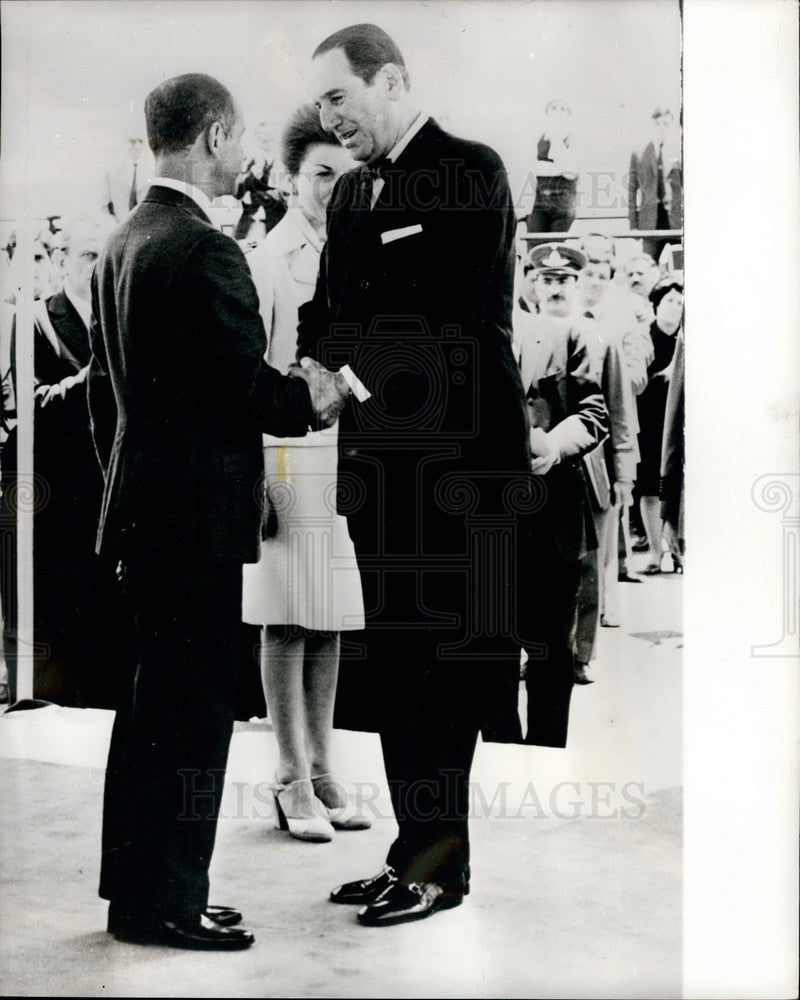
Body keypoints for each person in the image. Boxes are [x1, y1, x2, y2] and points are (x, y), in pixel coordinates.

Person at [88, 72, 347, 951]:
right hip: (196, 524)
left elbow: (106, 400)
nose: (245, 154)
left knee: (147, 712)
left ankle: (136, 894)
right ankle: (172, 903)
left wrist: (131, 490)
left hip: (144, 515)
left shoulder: (124, 241)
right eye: (239, 137)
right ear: (211, 135)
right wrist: (318, 395)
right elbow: (249, 391)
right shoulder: (205, 249)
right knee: (191, 718)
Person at [299, 24, 530, 926]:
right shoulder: (353, 192)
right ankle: (410, 854)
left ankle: (439, 867)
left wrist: (344, 374)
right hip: (380, 470)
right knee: (400, 666)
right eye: (320, 103)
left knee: (444, 667)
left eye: (340, 97)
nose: (329, 117)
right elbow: (329, 305)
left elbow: (445, 318)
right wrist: (315, 365)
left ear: (390, 80)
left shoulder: (472, 170)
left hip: (458, 471)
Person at [242, 104, 367, 842]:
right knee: (288, 617)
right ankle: (289, 775)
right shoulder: (268, 258)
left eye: (344, 175)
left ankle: (323, 766)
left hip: (340, 453)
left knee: (331, 618)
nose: (332, 188)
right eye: (321, 174)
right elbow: (251, 373)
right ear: (293, 179)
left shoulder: (355, 247)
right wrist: (254, 475)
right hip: (284, 452)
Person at [514, 243, 608, 708]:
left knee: (552, 640)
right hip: (493, 507)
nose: (553, 288)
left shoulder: (577, 333)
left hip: (554, 498)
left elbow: (597, 412)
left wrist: (554, 444)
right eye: (545, 279)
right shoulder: (497, 332)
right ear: (531, 284)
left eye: (562, 280)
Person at [572, 237, 637, 683]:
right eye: (582, 276)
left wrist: (624, 473)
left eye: (599, 276)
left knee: (590, 562)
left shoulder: (605, 334)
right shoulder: (530, 328)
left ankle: (581, 654)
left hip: (593, 468)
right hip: (541, 465)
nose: (587, 284)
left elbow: (619, 409)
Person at [635, 274, 684, 574]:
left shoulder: (688, 339)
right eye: (669, 301)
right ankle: (655, 552)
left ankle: (678, 551)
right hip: (650, 422)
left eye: (680, 302)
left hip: (677, 425)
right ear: (656, 305)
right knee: (650, 488)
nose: (675, 307)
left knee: (676, 488)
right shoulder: (644, 337)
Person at [525, 100, 579, 234]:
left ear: (569, 114)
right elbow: (530, 168)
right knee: (534, 244)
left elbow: (570, 173)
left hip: (562, 204)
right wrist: (558, 168)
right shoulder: (539, 137)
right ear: (547, 112)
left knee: (556, 245)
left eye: (563, 109)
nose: (558, 112)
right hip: (539, 203)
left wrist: (556, 138)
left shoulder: (573, 138)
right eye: (554, 108)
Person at [232, 119, 287, 242]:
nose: (263, 144)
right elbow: (239, 192)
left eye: (267, 140)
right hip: (249, 220)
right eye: (260, 140)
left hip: (275, 219)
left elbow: (285, 193)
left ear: (275, 140)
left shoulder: (282, 163)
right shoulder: (253, 162)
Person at [102, 126, 152, 222]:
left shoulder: (152, 171)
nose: (137, 146)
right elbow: (102, 208)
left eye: (141, 141)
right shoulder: (112, 171)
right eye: (132, 141)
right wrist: (116, 227)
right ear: (124, 143)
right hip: (119, 225)